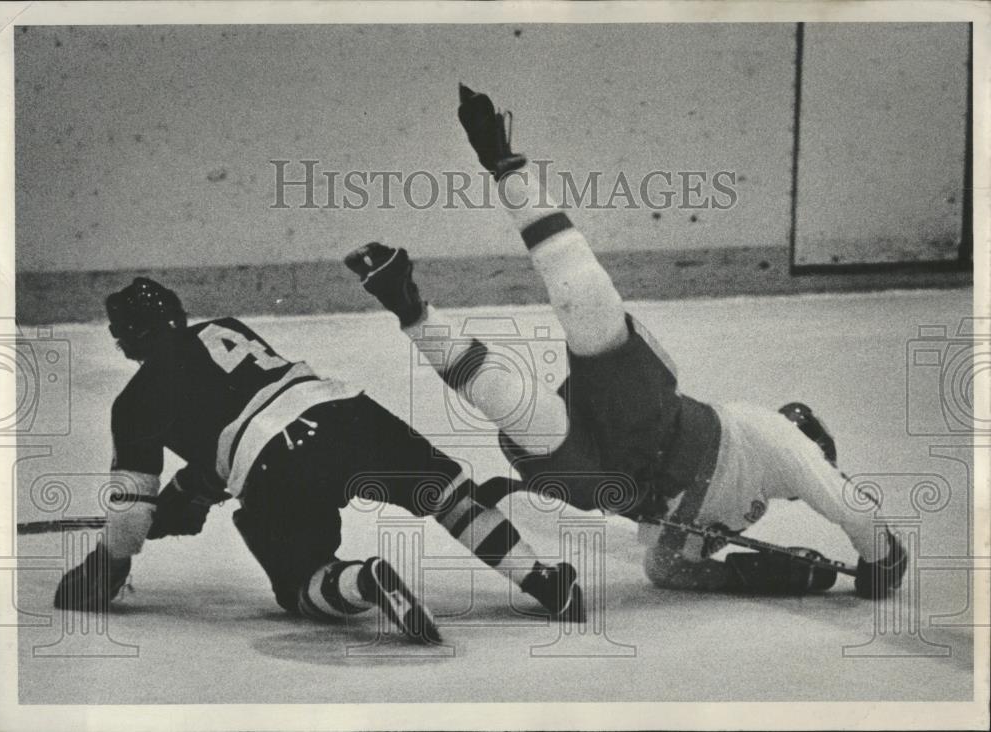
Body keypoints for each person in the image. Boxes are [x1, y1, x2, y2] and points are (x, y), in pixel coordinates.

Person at [343, 84, 907, 600]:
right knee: (578, 332)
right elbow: (848, 507)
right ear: (813, 440)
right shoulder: (780, 439)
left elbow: (668, 568)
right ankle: (496, 184)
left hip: (621, 473)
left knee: (545, 378)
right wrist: (882, 561)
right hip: (658, 432)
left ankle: (413, 298)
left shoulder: (745, 509)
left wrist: (780, 575)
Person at [52, 277, 584, 643]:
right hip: (346, 412)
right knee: (447, 496)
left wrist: (114, 557)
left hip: (274, 464)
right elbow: (241, 408)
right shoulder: (226, 328)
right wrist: (191, 494)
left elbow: (134, 512)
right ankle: (539, 577)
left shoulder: (136, 402)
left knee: (301, 585)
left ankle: (362, 582)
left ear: (124, 339)